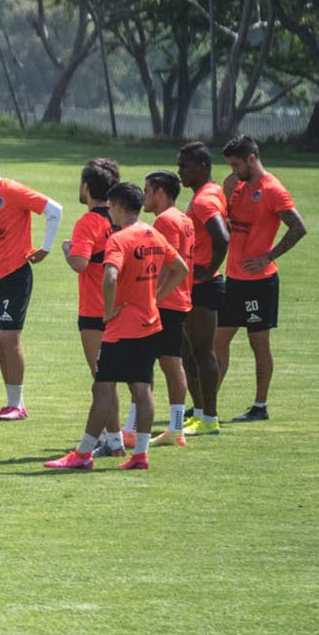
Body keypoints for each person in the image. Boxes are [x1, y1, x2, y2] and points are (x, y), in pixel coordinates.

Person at [45, 182, 188, 470]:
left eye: (110, 207)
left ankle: (83, 455)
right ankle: (141, 455)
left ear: (120, 207)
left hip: (122, 328)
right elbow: (181, 269)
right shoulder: (153, 234)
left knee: (103, 390)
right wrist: (155, 297)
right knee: (142, 389)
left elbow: (110, 277)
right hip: (150, 324)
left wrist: (108, 310)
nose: (108, 211)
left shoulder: (119, 239)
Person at [0, 146, 62, 421]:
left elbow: (54, 210)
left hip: (15, 275)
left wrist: (45, 247)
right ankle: (10, 403)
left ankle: (18, 405)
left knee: (9, 338)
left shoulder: (13, 191)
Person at [215, 135, 307, 424]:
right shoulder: (235, 185)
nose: (233, 170)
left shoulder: (273, 190)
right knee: (219, 340)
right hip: (235, 280)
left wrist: (268, 256)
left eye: (236, 164)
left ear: (251, 159)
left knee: (258, 344)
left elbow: (298, 227)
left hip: (260, 282)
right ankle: (207, 404)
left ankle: (260, 405)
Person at [59, 157, 121, 448]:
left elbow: (80, 264)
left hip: (96, 309)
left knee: (102, 379)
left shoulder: (88, 222)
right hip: (121, 307)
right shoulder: (120, 220)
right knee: (112, 377)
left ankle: (109, 439)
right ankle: (114, 437)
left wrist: (68, 250)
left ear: (87, 186)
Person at [175, 141, 231, 436]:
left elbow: (222, 237)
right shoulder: (212, 192)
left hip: (203, 286)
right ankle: (198, 414)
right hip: (195, 284)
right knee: (188, 352)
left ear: (202, 167)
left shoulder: (203, 200)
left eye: (184, 166)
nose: (179, 171)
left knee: (202, 352)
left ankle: (210, 417)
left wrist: (208, 269)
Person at [143, 171, 197, 446]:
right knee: (171, 363)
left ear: (160, 193)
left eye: (147, 190)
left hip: (166, 303)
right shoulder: (185, 219)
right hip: (180, 300)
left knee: (147, 363)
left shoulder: (165, 221)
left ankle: (136, 426)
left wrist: (151, 297)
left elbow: (167, 263)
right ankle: (174, 427)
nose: (144, 196)